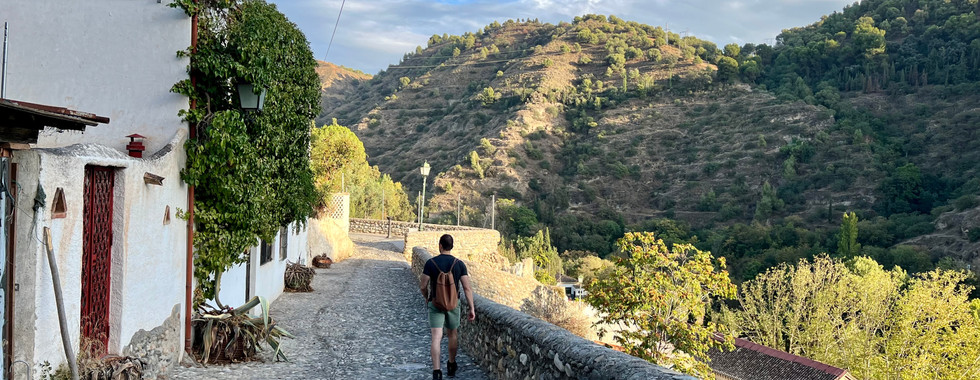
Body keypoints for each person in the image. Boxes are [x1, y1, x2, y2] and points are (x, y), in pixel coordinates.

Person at [419, 234, 476, 380]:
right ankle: (451, 364)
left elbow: (423, 285)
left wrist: (427, 298)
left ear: (440, 245)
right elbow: (467, 288)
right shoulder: (459, 264)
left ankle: (437, 372)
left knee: (436, 338)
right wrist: (471, 308)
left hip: (435, 304)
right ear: (452, 246)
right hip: (453, 304)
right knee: (452, 335)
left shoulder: (431, 263)